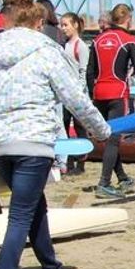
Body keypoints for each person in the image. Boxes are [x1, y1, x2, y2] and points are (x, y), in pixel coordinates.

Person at [0, 0, 112, 269]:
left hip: (1, 143)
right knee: (20, 216)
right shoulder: (47, 52)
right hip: (34, 142)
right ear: (37, 23)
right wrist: (101, 131)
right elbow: (75, 97)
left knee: (35, 209)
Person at [86, 2, 135, 199]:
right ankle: (104, 183)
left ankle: (122, 177)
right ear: (127, 20)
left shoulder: (97, 40)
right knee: (114, 140)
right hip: (117, 92)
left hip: (99, 93)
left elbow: (90, 72)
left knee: (108, 139)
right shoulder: (130, 40)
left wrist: (91, 96)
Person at [60, 12, 89, 176]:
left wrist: (79, 92)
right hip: (64, 94)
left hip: (76, 95)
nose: (63, 28)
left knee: (79, 128)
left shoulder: (81, 46)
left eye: (66, 25)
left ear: (75, 25)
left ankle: (81, 162)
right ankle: (68, 160)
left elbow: (83, 71)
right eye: (62, 25)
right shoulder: (64, 45)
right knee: (64, 126)